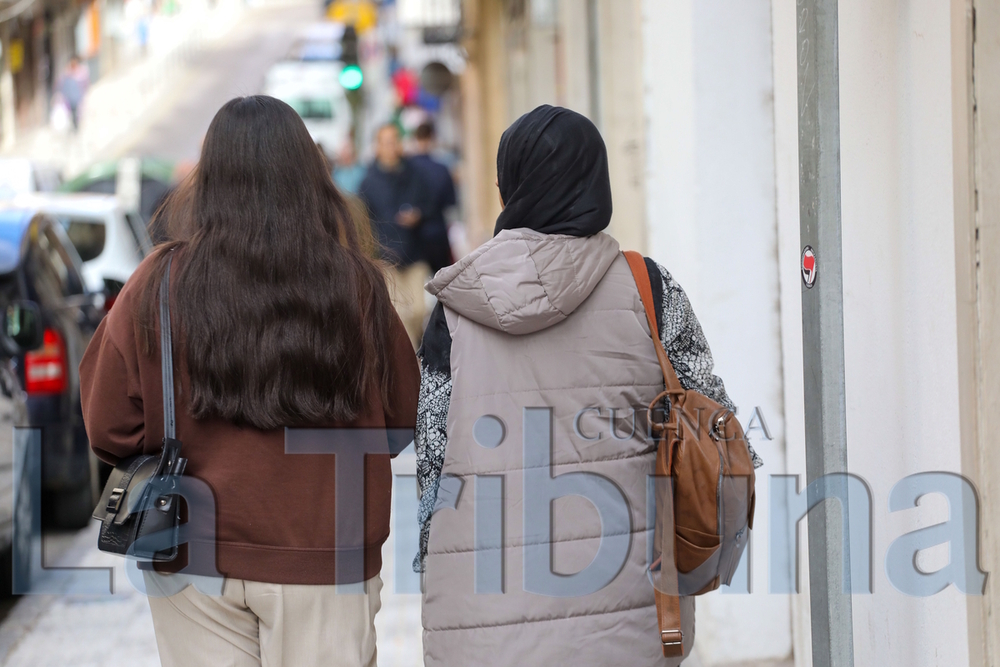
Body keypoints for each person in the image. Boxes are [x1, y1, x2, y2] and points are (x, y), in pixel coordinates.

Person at [414, 105, 763, 666]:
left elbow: (433, 459)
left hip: (484, 609)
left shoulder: (455, 306)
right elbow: (709, 417)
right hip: (624, 602)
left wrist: (435, 560)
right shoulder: (648, 287)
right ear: (595, 180)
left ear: (511, 184)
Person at [79, 96, 420, 667]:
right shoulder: (355, 285)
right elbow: (401, 418)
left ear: (208, 179)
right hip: (325, 555)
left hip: (192, 555)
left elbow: (108, 424)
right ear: (310, 177)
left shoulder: (158, 284)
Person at [358, 123, 430, 347]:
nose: (391, 146)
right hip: (387, 257)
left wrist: (418, 215)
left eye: (394, 140)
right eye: (386, 141)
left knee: (419, 309)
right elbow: (365, 222)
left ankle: (414, 353)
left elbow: (428, 205)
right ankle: (412, 369)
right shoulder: (368, 182)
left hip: (414, 251)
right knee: (400, 313)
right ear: (377, 147)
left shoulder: (415, 174)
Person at [409, 121, 457, 274]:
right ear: (432, 138)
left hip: (413, 237)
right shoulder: (442, 169)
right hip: (437, 232)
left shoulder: (408, 168)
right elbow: (451, 201)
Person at [57, 56, 89, 131]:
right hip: (70, 97)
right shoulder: (67, 73)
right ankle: (74, 127)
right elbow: (61, 83)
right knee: (72, 112)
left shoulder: (81, 71)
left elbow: (85, 83)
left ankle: (77, 127)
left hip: (78, 96)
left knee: (78, 112)